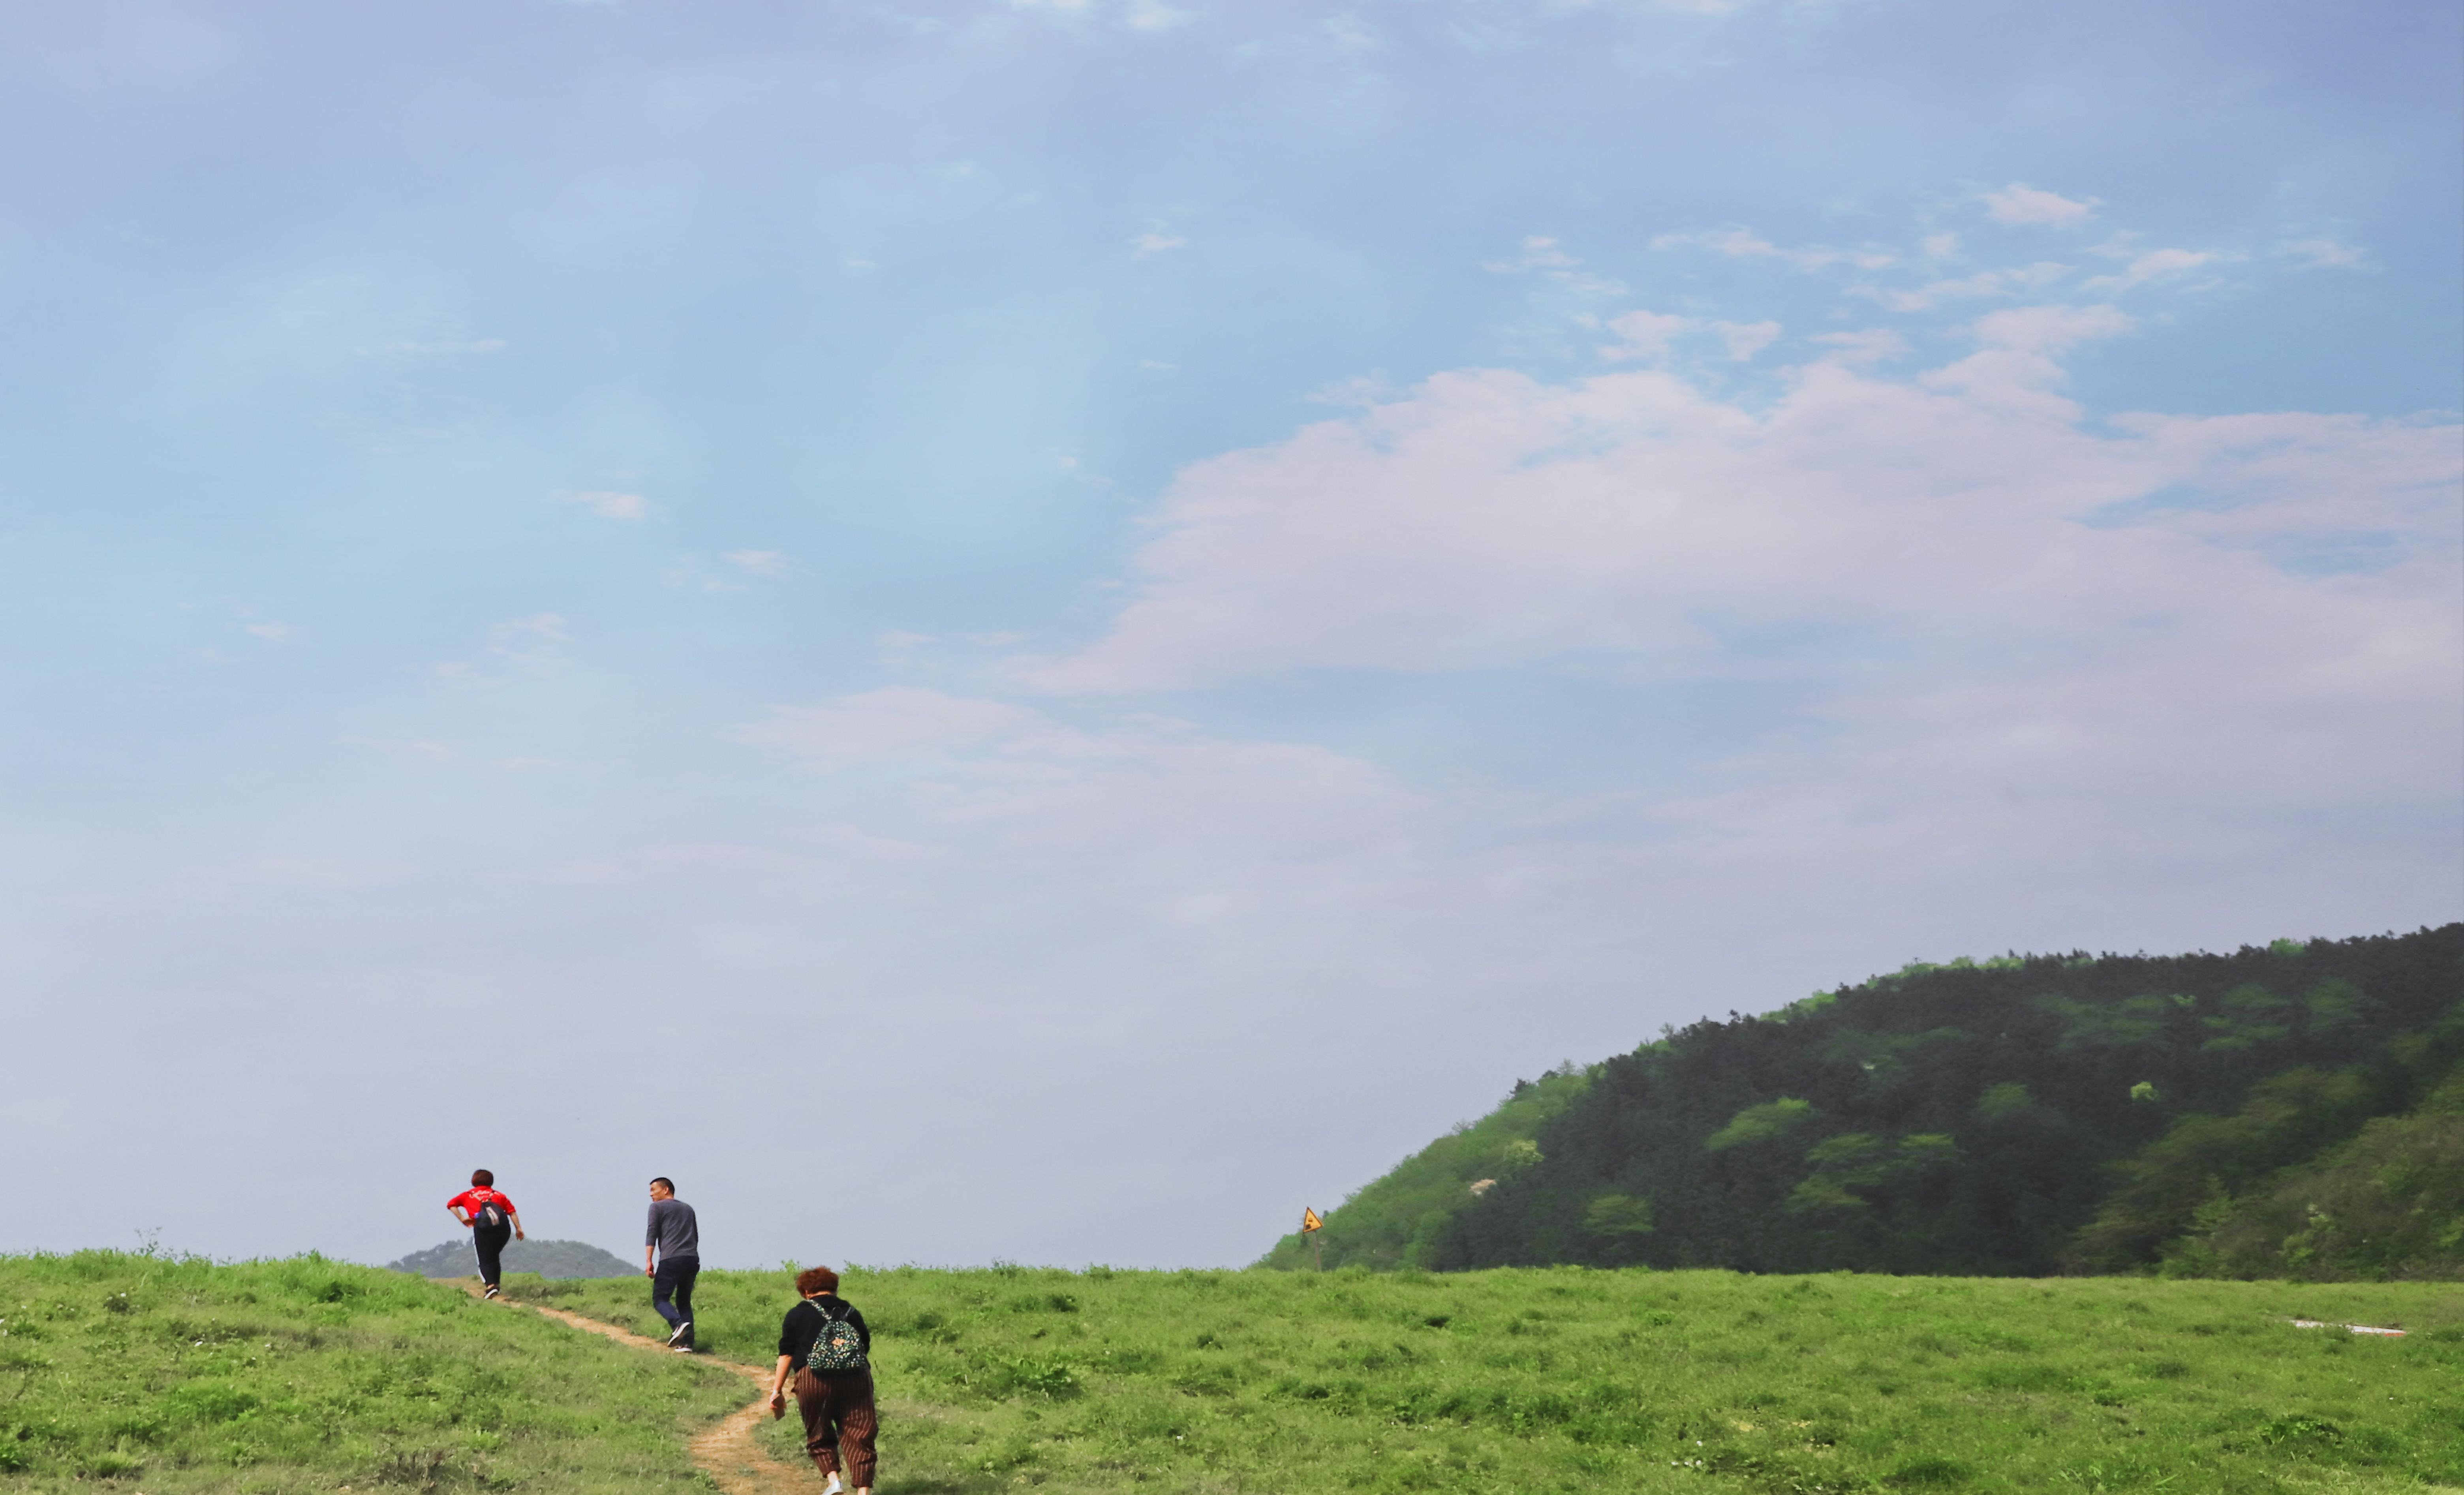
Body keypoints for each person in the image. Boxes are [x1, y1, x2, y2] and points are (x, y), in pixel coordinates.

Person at [767, 1265, 877, 1495]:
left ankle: (834, 1481)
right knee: (861, 1433)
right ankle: (864, 1491)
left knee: (819, 1431)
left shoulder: (797, 1314)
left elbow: (786, 1353)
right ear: (834, 1290)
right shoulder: (851, 1312)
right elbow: (864, 1346)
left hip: (813, 1379)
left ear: (806, 1292)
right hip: (855, 1379)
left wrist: (777, 1390)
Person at [445, 1170, 524, 1299]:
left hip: (483, 1229)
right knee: (493, 1256)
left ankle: (491, 1286)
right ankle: (495, 1285)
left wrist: (463, 1218)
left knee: (485, 1259)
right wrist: (519, 1229)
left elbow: (451, 1204)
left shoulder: (468, 1195)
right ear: (491, 1182)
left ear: (474, 1181)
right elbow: (512, 1212)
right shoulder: (499, 1195)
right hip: (503, 1230)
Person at [644, 1177, 700, 1351]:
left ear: (666, 1190)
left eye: (654, 1190)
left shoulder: (657, 1207)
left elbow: (652, 1233)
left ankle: (677, 1325)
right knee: (684, 1301)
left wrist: (649, 1260)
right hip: (691, 1259)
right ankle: (686, 1343)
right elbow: (695, 1236)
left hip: (671, 1259)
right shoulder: (688, 1209)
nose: (651, 1194)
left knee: (660, 1299)